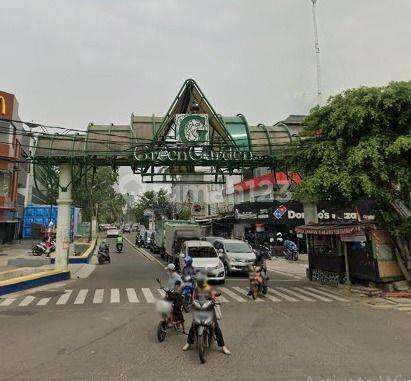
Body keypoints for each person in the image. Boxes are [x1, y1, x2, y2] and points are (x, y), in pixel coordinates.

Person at [182, 273, 231, 355]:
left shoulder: (209, 288)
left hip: (209, 309)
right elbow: (193, 298)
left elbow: (213, 296)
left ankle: (223, 346)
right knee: (193, 324)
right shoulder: (197, 289)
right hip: (199, 309)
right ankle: (188, 343)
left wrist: (214, 300)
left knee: (216, 327)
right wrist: (192, 302)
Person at [164, 264, 185, 331]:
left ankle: (178, 322)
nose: (167, 271)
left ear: (170, 270)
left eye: (168, 270)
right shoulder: (170, 276)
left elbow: (182, 285)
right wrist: (166, 293)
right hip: (171, 294)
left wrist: (177, 290)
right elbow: (168, 286)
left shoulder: (177, 276)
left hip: (176, 296)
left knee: (176, 309)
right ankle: (169, 319)